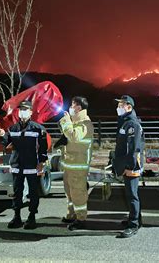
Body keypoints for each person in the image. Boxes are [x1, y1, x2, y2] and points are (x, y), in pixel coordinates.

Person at [0, 100, 48, 230]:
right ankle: (17, 217)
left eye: (25, 109)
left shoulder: (38, 129)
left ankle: (32, 217)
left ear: (31, 112)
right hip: (17, 165)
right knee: (17, 192)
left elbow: (43, 147)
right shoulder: (13, 128)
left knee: (33, 193)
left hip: (32, 165)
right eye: (21, 109)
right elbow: (6, 143)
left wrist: (42, 162)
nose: (22, 112)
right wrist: (2, 136)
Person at [58, 96, 94, 231]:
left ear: (79, 107)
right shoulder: (75, 121)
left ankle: (81, 219)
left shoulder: (85, 124)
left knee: (78, 193)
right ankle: (71, 214)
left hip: (78, 166)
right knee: (70, 192)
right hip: (69, 165)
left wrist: (66, 121)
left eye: (73, 105)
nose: (70, 107)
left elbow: (74, 136)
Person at [113, 95, 144, 238]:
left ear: (129, 107)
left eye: (121, 105)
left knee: (132, 195)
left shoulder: (133, 124)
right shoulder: (126, 122)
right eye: (118, 105)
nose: (118, 108)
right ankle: (136, 218)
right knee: (130, 194)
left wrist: (130, 166)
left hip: (131, 165)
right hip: (126, 164)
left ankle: (133, 225)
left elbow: (134, 148)